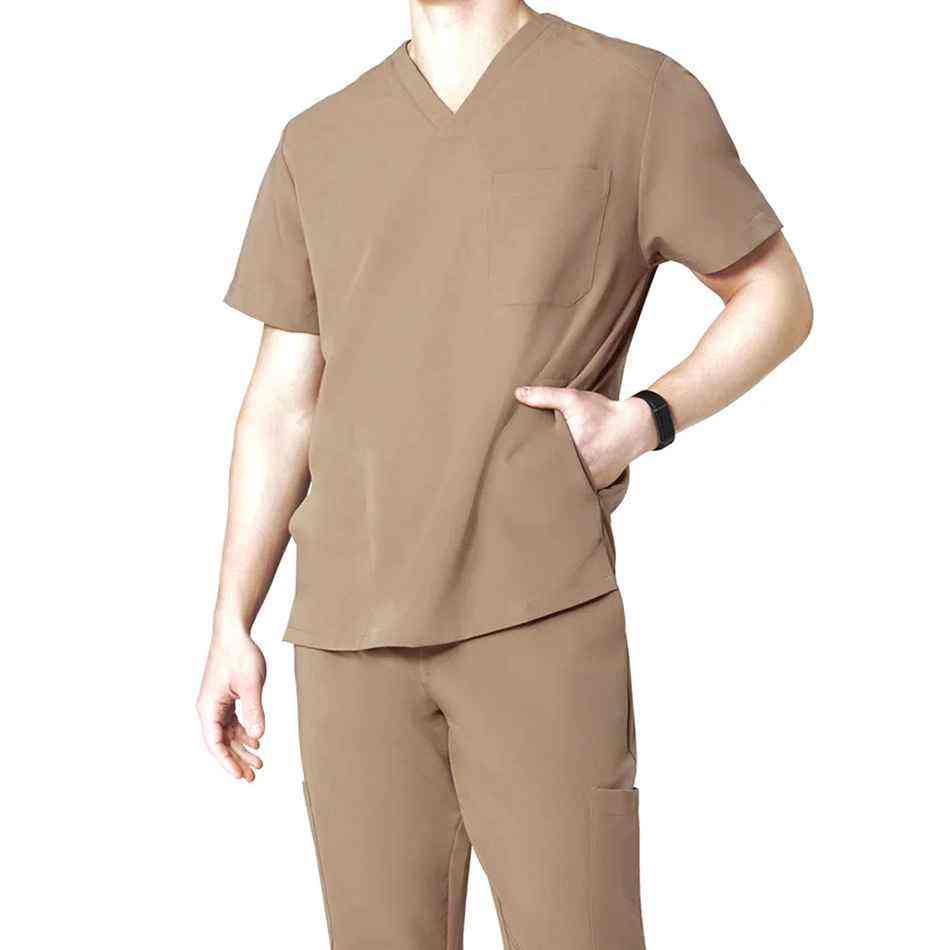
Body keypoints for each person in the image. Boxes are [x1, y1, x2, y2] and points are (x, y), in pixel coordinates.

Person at [197, 2, 813, 947]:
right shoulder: (317, 141)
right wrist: (230, 621)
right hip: (347, 639)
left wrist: (647, 419)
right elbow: (281, 405)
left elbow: (775, 294)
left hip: (537, 610)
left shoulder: (634, 96)